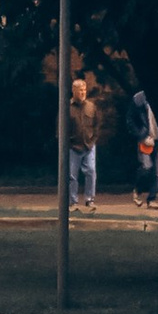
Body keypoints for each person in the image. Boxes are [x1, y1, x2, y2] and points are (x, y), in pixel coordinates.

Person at [66, 68, 103, 210]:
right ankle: (73, 202)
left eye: (84, 90)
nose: (83, 93)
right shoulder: (67, 108)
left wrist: (93, 141)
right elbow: (61, 129)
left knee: (91, 171)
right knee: (72, 176)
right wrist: (69, 144)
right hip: (73, 147)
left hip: (89, 146)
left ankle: (90, 199)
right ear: (73, 91)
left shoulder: (91, 107)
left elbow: (97, 125)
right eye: (80, 90)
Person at [128, 85, 158, 212]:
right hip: (144, 138)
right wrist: (140, 134)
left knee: (157, 171)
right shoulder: (139, 99)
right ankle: (137, 190)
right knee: (146, 166)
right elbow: (130, 119)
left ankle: (152, 199)